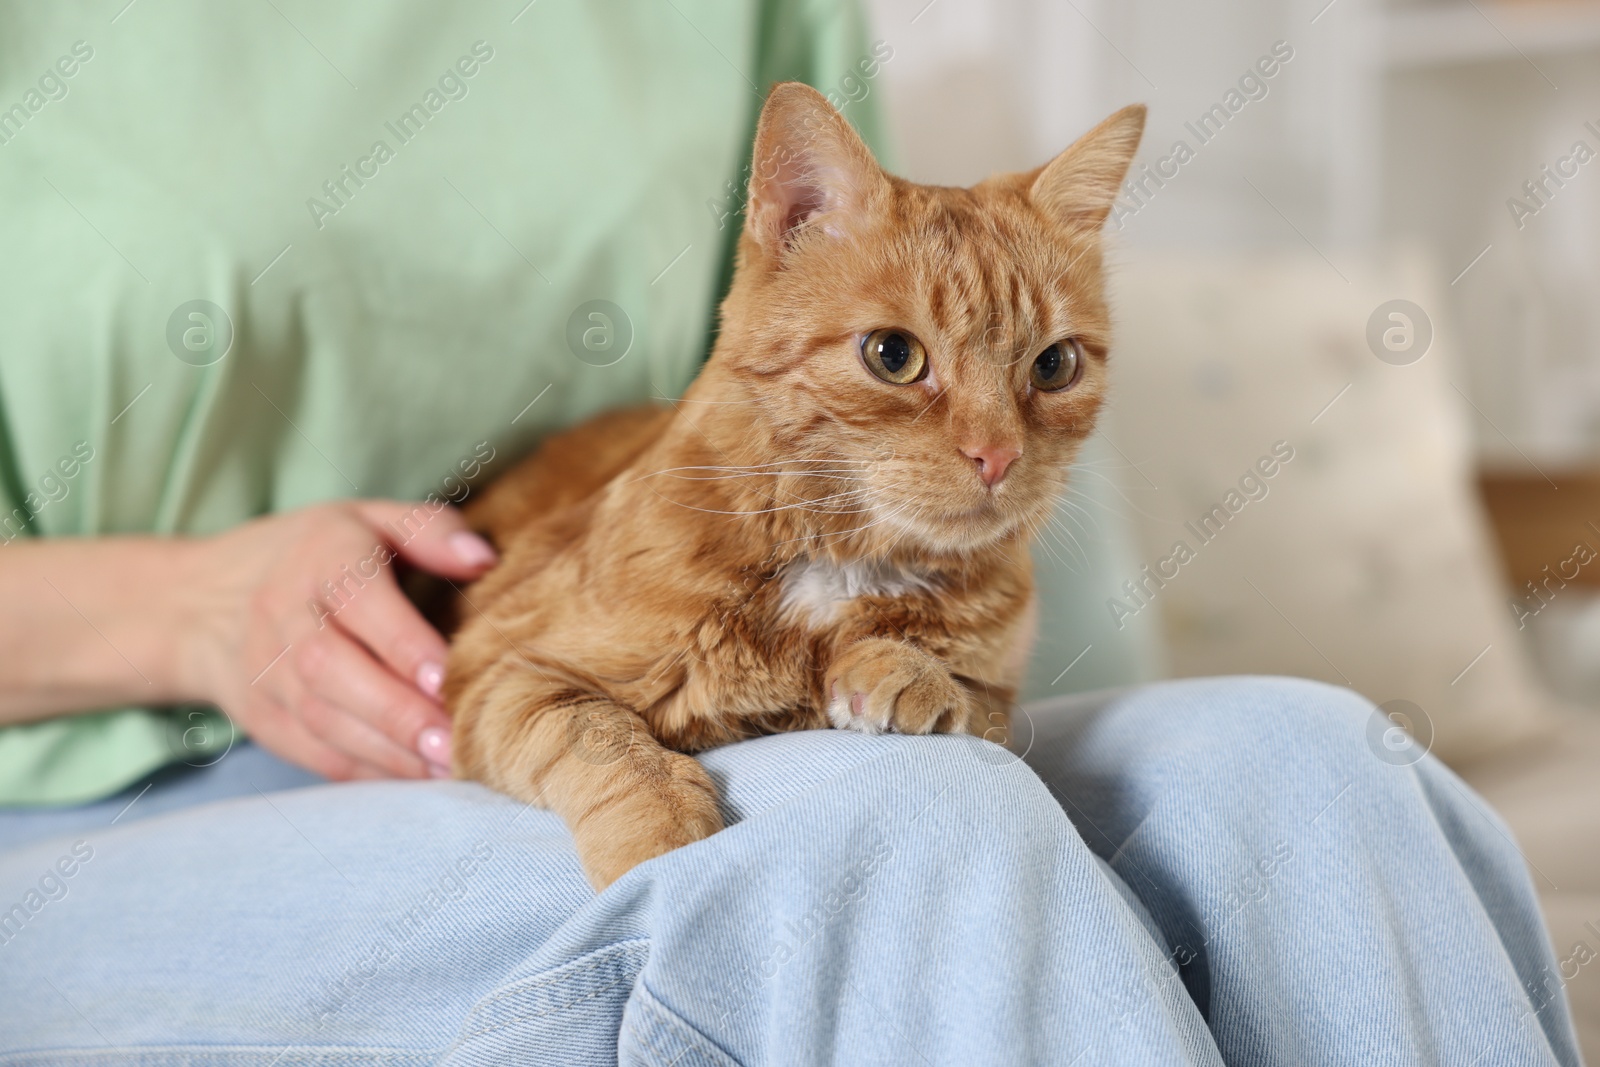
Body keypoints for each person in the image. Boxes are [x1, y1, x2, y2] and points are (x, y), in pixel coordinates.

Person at [0, 4, 1579, 1063]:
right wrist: (185, 613)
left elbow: (936, 311)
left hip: (782, 588)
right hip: (136, 778)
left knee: (1307, 767)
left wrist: (1015, 679)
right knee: (904, 833)